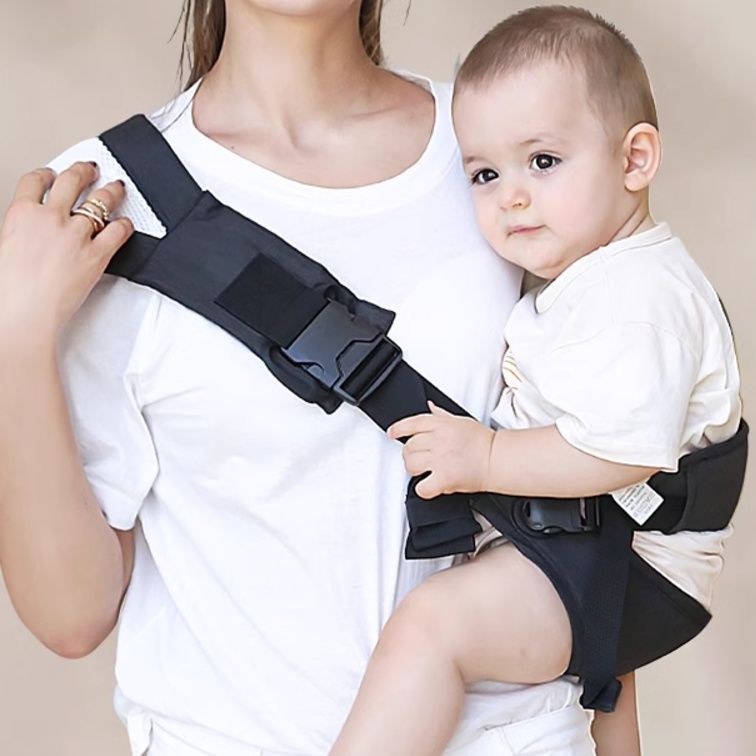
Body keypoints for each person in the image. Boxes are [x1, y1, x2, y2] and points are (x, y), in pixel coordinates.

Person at [0, 2, 599, 754]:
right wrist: (17, 335)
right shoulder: (106, 203)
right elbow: (70, 614)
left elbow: (617, 476)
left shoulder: (507, 151)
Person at [328, 6, 741, 756]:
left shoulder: (639, 299)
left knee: (432, 627)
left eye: (543, 161)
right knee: (594, 692)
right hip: (610, 547)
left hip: (638, 569)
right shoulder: (591, 275)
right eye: (485, 174)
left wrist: (486, 458)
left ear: (634, 159)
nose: (511, 195)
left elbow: (619, 451)